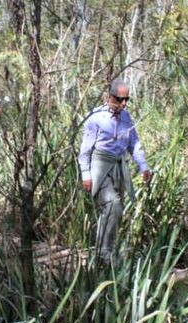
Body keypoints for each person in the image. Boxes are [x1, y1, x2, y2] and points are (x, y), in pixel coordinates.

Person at [78, 79, 152, 264]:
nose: (123, 103)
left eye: (126, 99)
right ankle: (103, 254)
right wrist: (86, 174)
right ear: (109, 97)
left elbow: (134, 143)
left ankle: (107, 250)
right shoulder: (96, 117)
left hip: (119, 167)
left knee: (114, 210)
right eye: (119, 99)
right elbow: (85, 150)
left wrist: (143, 166)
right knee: (112, 205)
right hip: (100, 166)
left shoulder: (126, 118)